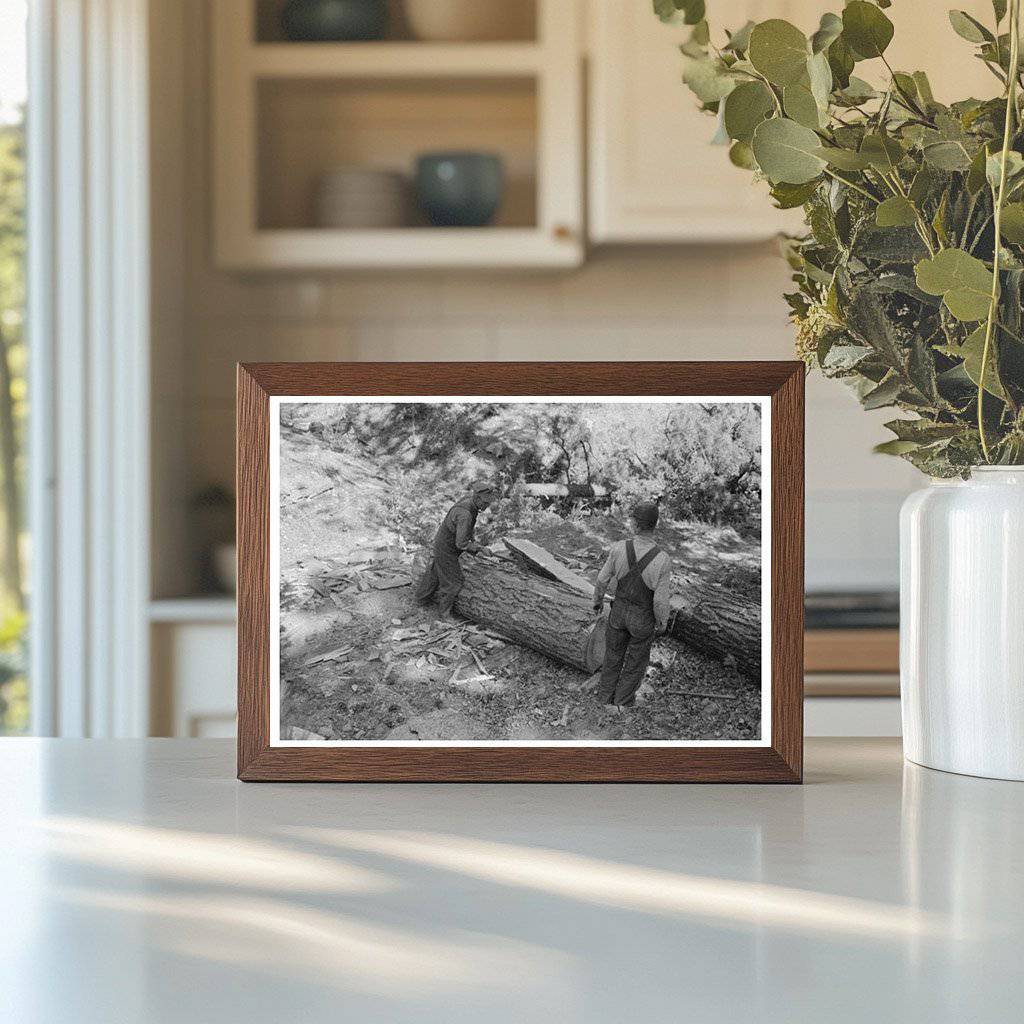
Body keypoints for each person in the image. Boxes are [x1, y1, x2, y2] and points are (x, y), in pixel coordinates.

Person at [592, 501, 672, 708]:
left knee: (612, 657)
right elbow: (660, 600)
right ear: (654, 526)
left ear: (636, 525)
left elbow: (601, 580)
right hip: (642, 620)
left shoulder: (619, 549)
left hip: (618, 614)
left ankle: (604, 698)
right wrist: (662, 622)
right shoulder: (662, 560)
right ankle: (622, 703)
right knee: (635, 663)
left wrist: (598, 601)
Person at [415, 480, 497, 618]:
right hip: (447, 549)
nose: (486, 506)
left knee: (435, 572)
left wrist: (474, 543)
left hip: (444, 544)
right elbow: (461, 543)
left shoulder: (469, 502)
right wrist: (480, 549)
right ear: (477, 498)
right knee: (454, 583)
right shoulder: (465, 514)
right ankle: (444, 614)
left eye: (488, 503)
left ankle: (420, 599)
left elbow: (466, 531)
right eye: (485, 503)